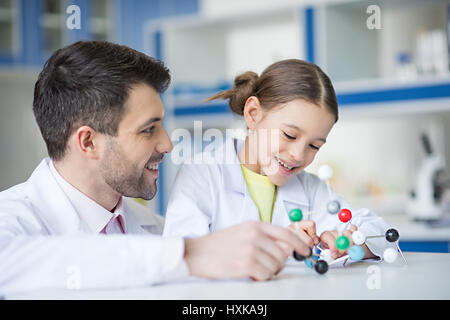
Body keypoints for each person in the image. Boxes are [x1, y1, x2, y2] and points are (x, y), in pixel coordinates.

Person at [0, 41, 311, 295]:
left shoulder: (158, 230)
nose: (167, 145)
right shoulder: (13, 217)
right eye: (149, 129)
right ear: (88, 142)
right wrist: (189, 254)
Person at [163, 59, 392, 261]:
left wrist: (354, 242)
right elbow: (180, 254)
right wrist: (275, 245)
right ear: (253, 114)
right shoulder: (202, 174)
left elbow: (384, 234)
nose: (298, 155)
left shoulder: (310, 189)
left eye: (314, 146)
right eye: (289, 135)